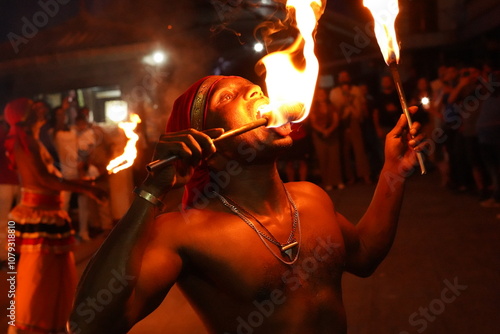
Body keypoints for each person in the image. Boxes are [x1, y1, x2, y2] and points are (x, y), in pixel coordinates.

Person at [68, 75, 425, 334]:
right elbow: (88, 323)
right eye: (229, 97)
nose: (255, 90)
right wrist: (151, 192)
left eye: (251, 88)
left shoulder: (312, 197)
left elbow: (363, 254)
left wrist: (392, 172)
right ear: (208, 143)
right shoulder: (184, 233)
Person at [4, 98, 105, 334]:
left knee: (57, 274)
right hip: (38, 216)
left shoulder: (33, 140)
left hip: (50, 213)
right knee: (39, 276)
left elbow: (50, 179)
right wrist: (86, 188)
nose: (40, 109)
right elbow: (44, 180)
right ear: (23, 117)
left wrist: (82, 183)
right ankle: (27, 328)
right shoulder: (25, 142)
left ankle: (52, 325)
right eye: (33, 108)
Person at [310, 88, 344, 190]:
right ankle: (327, 182)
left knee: (334, 158)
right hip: (319, 136)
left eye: (322, 93)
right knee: (323, 158)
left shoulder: (331, 106)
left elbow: (335, 120)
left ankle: (337, 181)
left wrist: (329, 130)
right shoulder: (314, 108)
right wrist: (322, 131)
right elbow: (313, 123)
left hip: (332, 135)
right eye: (318, 94)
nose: (321, 96)